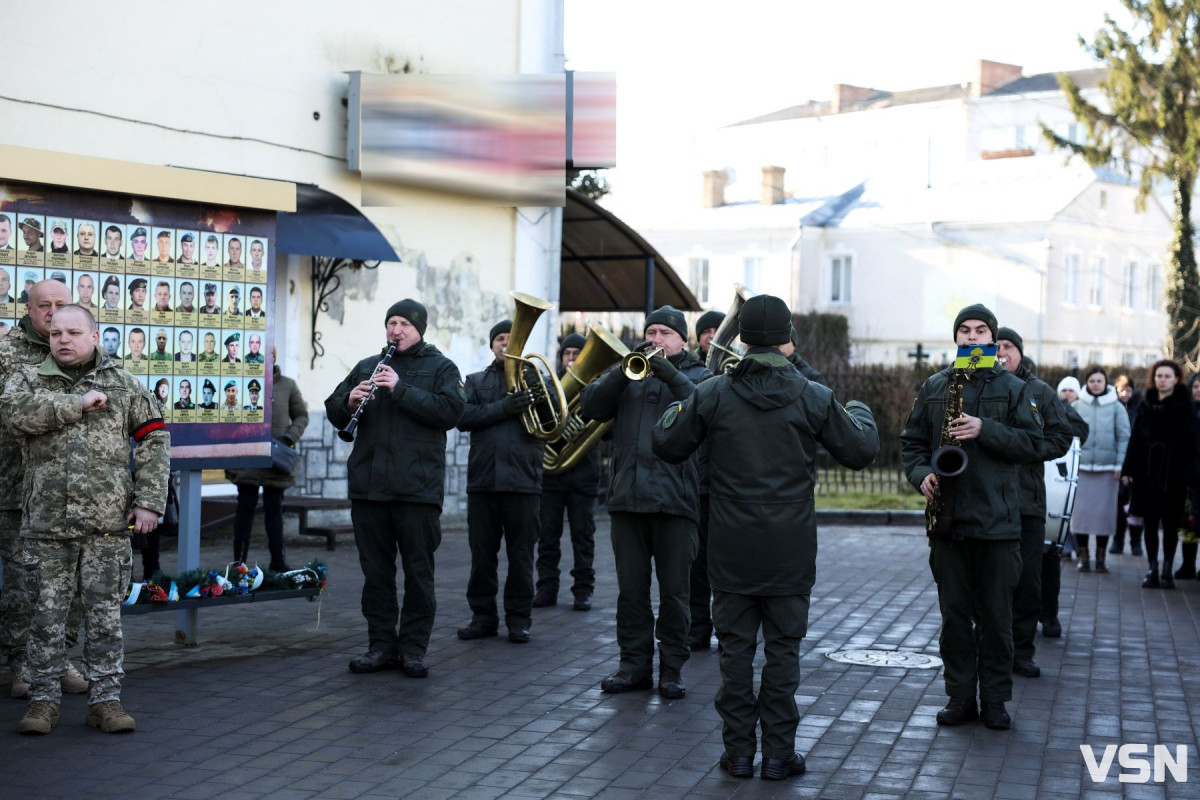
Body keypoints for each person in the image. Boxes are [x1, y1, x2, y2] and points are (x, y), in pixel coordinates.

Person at [653, 294, 879, 780]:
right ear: (785, 337)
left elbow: (668, 443)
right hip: (789, 548)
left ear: (743, 339)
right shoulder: (811, 395)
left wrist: (677, 408)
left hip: (731, 547)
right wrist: (859, 406)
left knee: (735, 653)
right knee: (783, 653)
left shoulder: (714, 391)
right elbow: (861, 449)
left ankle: (737, 754)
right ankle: (779, 754)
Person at [1, 304, 169, 735]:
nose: (63, 340)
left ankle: (106, 701)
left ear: (94, 337)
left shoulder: (123, 383)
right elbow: (14, 416)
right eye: (56, 333)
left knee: (104, 619)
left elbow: (154, 439)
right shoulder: (27, 380)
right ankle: (42, 703)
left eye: (73, 332)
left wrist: (149, 502)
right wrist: (75, 404)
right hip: (46, 526)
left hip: (106, 526)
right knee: (45, 617)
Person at [899, 304, 1042, 730]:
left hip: (998, 525)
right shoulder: (935, 385)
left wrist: (986, 430)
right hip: (948, 522)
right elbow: (911, 444)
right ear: (957, 338)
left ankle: (995, 700)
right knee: (955, 619)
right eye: (965, 330)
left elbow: (1035, 444)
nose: (973, 337)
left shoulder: (1014, 388)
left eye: (981, 331)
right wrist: (921, 474)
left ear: (993, 340)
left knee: (998, 619)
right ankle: (960, 696)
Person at [325, 299, 464, 679]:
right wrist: (347, 401)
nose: (395, 330)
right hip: (370, 490)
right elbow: (333, 406)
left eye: (404, 323)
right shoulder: (368, 365)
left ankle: (413, 649)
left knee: (419, 575)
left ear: (419, 328)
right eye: (391, 323)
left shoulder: (441, 367)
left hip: (416, 492)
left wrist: (401, 390)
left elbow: (451, 412)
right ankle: (381, 646)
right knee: (377, 575)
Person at [580, 305, 711, 698]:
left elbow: (704, 410)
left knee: (675, 593)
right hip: (627, 499)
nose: (655, 339)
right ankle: (633, 666)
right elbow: (590, 406)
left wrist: (666, 370)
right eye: (651, 331)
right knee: (631, 592)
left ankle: (671, 668)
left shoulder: (700, 376)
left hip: (675, 502)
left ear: (682, 340)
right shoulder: (628, 371)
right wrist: (621, 373)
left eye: (665, 334)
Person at [0, 281, 90, 700]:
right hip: (16, 487)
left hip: (70, 490)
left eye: (60, 305)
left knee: (69, 582)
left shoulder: (80, 350)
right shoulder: (6, 352)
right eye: (44, 306)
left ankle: (59, 658)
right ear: (28, 308)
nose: (53, 314)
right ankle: (22, 663)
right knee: (23, 583)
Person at [994, 328, 1076, 680]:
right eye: (994, 347)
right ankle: (992, 650)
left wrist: (1026, 450)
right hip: (986, 500)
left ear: (1020, 353)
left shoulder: (1040, 391)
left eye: (1007, 347)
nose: (1001, 353)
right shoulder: (977, 387)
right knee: (992, 581)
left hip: (1027, 502)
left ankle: (1022, 651)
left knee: (1027, 580)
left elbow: (1062, 435)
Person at [455, 320, 542, 645]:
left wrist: (535, 396)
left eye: (511, 338)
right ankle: (483, 617)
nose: (505, 343)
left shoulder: (536, 380)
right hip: (483, 481)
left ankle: (519, 620)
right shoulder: (476, 381)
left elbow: (552, 424)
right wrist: (504, 407)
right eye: (500, 339)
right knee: (482, 556)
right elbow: (463, 418)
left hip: (523, 481)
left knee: (521, 557)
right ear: (492, 345)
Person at [533, 333, 599, 611]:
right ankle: (546, 588)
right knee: (547, 535)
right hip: (551, 474)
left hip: (584, 474)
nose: (571, 359)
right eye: (567, 353)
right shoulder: (550, 387)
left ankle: (583, 590)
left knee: (583, 536)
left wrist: (581, 427)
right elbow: (538, 427)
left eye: (577, 354)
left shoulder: (598, 387)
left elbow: (608, 432)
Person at [227, 351, 309, 571]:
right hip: (247, 457)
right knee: (245, 508)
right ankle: (238, 564)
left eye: (268, 356)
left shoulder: (288, 385)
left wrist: (289, 437)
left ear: (275, 358)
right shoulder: (240, 382)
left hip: (276, 459)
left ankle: (278, 562)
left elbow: (302, 415)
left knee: (274, 510)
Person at [1123, 359, 1195, 588]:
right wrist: (1128, 469)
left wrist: (1186, 468)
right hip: (1147, 472)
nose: (1162, 380)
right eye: (1159, 376)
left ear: (1176, 379)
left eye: (1167, 376)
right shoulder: (1146, 404)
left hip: (1174, 473)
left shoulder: (1186, 405)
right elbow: (1135, 439)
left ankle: (1167, 570)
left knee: (1171, 522)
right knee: (1150, 521)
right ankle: (1153, 568)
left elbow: (1193, 442)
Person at [1041, 376, 1090, 639]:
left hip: (1044, 491)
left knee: (1047, 554)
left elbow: (1080, 432)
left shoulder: (1048, 399)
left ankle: (1048, 615)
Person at [1069, 366, 1130, 575]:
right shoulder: (1076, 405)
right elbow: (1068, 436)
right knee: (1081, 516)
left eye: (1099, 381)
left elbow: (1124, 436)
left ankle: (1101, 559)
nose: (1096, 384)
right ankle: (1084, 558)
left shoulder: (1116, 407)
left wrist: (1120, 465)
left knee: (1104, 517)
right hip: (1082, 469)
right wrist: (1071, 463)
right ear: (1087, 383)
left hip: (1107, 470)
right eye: (1092, 381)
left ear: (1106, 383)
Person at [1111, 374, 1144, 556]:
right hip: (1117, 465)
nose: (1124, 393)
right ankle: (1117, 540)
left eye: (1128, 390)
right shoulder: (1112, 408)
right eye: (1121, 390)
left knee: (1136, 508)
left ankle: (1136, 542)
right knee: (1119, 508)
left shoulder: (1140, 409)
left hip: (1135, 466)